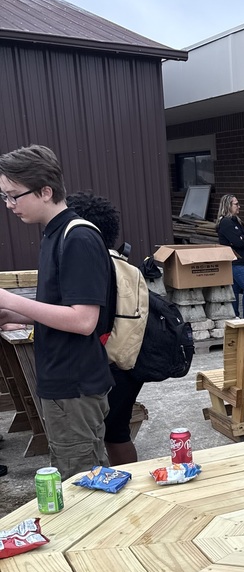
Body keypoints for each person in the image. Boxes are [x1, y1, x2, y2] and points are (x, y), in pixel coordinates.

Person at [0, 145, 113, 479]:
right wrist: (14, 316)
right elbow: (61, 311)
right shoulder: (54, 233)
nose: (9, 205)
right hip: (63, 382)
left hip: (74, 385)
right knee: (76, 475)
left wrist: (9, 300)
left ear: (45, 191)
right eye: (4, 196)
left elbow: (82, 320)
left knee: (83, 483)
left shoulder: (77, 237)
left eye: (13, 196)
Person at [66, 191, 143, 465]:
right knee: (118, 431)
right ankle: (133, 490)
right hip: (131, 360)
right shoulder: (127, 266)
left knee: (99, 435)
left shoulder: (93, 264)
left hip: (103, 364)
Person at [215, 193, 244, 319]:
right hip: (235, 262)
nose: (239, 206)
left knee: (235, 291)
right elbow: (238, 242)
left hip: (241, 261)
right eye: (236, 204)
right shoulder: (226, 223)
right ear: (228, 206)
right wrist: (242, 240)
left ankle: (235, 316)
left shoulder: (236, 221)